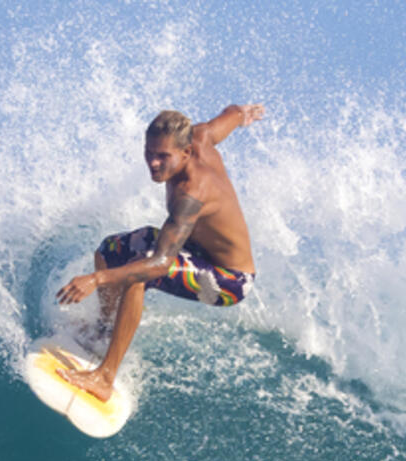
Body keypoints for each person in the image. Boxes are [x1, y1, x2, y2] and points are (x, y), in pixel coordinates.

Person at [55, 103, 265, 401]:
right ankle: (104, 329)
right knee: (110, 250)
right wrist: (244, 114)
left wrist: (97, 280)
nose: (153, 163)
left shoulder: (192, 192)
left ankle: (104, 377)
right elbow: (230, 114)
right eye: (149, 153)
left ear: (186, 153)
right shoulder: (200, 135)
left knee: (140, 273)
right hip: (197, 249)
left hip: (229, 280)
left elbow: (159, 263)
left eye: (162, 156)